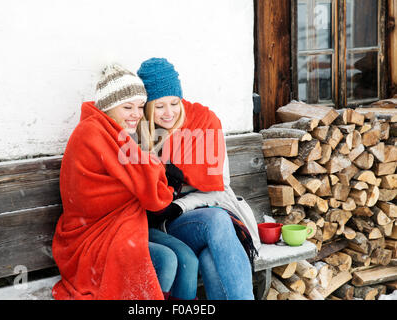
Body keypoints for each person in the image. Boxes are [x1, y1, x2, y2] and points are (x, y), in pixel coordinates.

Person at [51, 63, 196, 300]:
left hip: (122, 223)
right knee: (167, 260)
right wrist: (160, 173)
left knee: (185, 257)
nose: (136, 114)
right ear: (108, 107)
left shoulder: (112, 131)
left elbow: (142, 172)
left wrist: (157, 172)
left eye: (140, 107)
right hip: (92, 235)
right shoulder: (93, 132)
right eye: (127, 107)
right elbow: (151, 188)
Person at [137, 57, 262, 300]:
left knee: (209, 256)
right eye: (159, 106)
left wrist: (178, 206)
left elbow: (220, 188)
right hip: (166, 227)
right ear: (148, 107)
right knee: (215, 222)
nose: (169, 113)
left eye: (174, 103)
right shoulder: (142, 133)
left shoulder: (204, 124)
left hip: (204, 217)